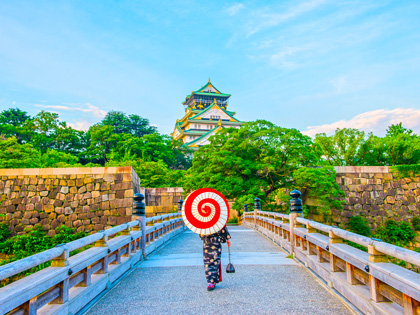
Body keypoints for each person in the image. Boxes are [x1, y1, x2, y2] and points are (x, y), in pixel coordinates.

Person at [200, 226, 231, 291]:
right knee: (215, 262)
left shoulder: (204, 222)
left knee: (208, 262)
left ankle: (210, 282)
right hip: (216, 242)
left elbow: (201, 234)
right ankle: (212, 281)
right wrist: (227, 238)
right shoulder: (217, 219)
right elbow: (223, 229)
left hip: (207, 242)